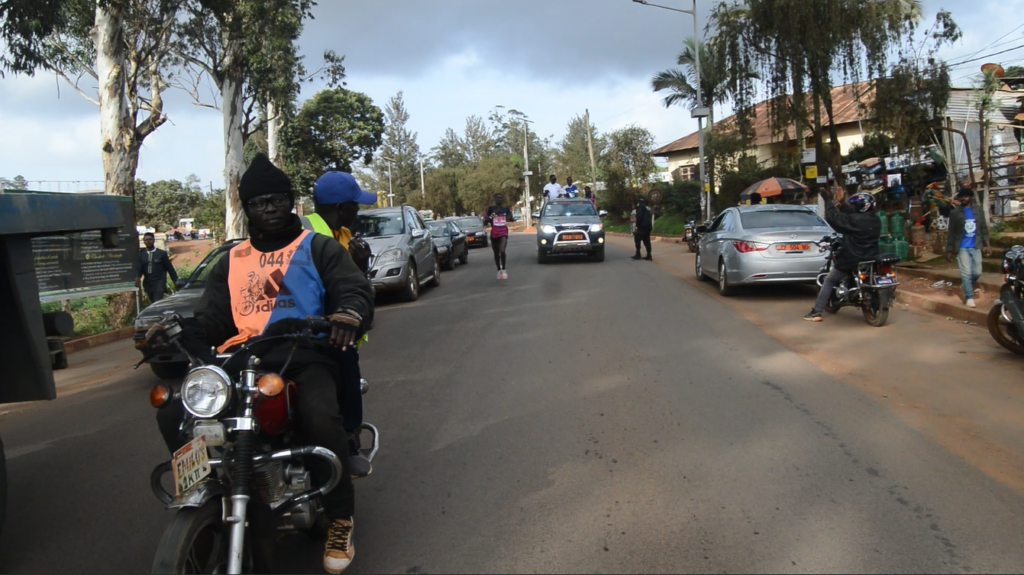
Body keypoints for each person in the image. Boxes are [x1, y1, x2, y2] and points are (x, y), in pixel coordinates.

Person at [153, 154, 373, 574]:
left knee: (320, 416)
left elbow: (352, 289)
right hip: (244, 357)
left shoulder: (317, 246)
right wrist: (180, 330)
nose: (268, 209)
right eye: (258, 203)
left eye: (276, 200)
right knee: (175, 410)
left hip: (304, 352)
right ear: (247, 209)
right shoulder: (231, 260)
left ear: (291, 202)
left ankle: (340, 518)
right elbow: (215, 318)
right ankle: (204, 497)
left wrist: (347, 313)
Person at [302, 170, 379, 478]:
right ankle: (348, 438)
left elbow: (353, 289)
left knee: (348, 366)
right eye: (355, 205)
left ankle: (349, 438)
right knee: (344, 365)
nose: (359, 211)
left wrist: (361, 269)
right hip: (309, 330)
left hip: (341, 329)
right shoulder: (306, 234)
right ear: (341, 207)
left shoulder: (344, 236)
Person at [804, 190, 881, 322]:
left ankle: (816, 312)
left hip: (852, 257)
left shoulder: (854, 220)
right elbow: (853, 217)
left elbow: (835, 218)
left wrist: (828, 200)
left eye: (855, 205)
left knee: (830, 280)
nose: (853, 208)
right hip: (872, 256)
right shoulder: (875, 219)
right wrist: (842, 204)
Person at [946, 187, 992, 308]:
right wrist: (949, 250)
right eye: (961, 197)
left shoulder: (978, 210)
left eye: (965, 197)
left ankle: (966, 286)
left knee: (977, 271)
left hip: (976, 245)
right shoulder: (955, 213)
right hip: (961, 247)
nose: (963, 199)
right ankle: (969, 297)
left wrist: (987, 245)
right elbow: (951, 232)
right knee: (966, 273)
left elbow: (983, 228)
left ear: (971, 198)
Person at [136, 232, 178, 303]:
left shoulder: (161, 254)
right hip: (148, 283)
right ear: (144, 241)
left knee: (157, 301)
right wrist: (137, 277)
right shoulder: (141, 255)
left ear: (154, 240)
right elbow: (139, 269)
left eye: (150, 239)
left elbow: (169, 268)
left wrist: (176, 281)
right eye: (146, 240)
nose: (148, 241)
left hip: (159, 282)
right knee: (153, 302)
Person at [485, 193, 514, 280]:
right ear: (494, 199)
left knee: (502, 251)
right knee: (496, 253)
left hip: (503, 233)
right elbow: (486, 221)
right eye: (497, 197)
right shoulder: (490, 209)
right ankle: (498, 270)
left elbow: (510, 218)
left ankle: (504, 269)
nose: (499, 199)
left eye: (500, 198)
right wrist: (494, 214)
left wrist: (510, 218)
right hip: (494, 233)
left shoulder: (506, 209)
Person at [632, 195, 653, 261]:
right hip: (648, 226)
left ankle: (638, 254)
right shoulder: (647, 207)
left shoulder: (640, 206)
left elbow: (640, 216)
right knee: (647, 240)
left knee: (637, 238)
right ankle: (649, 255)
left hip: (642, 226)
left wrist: (637, 226)